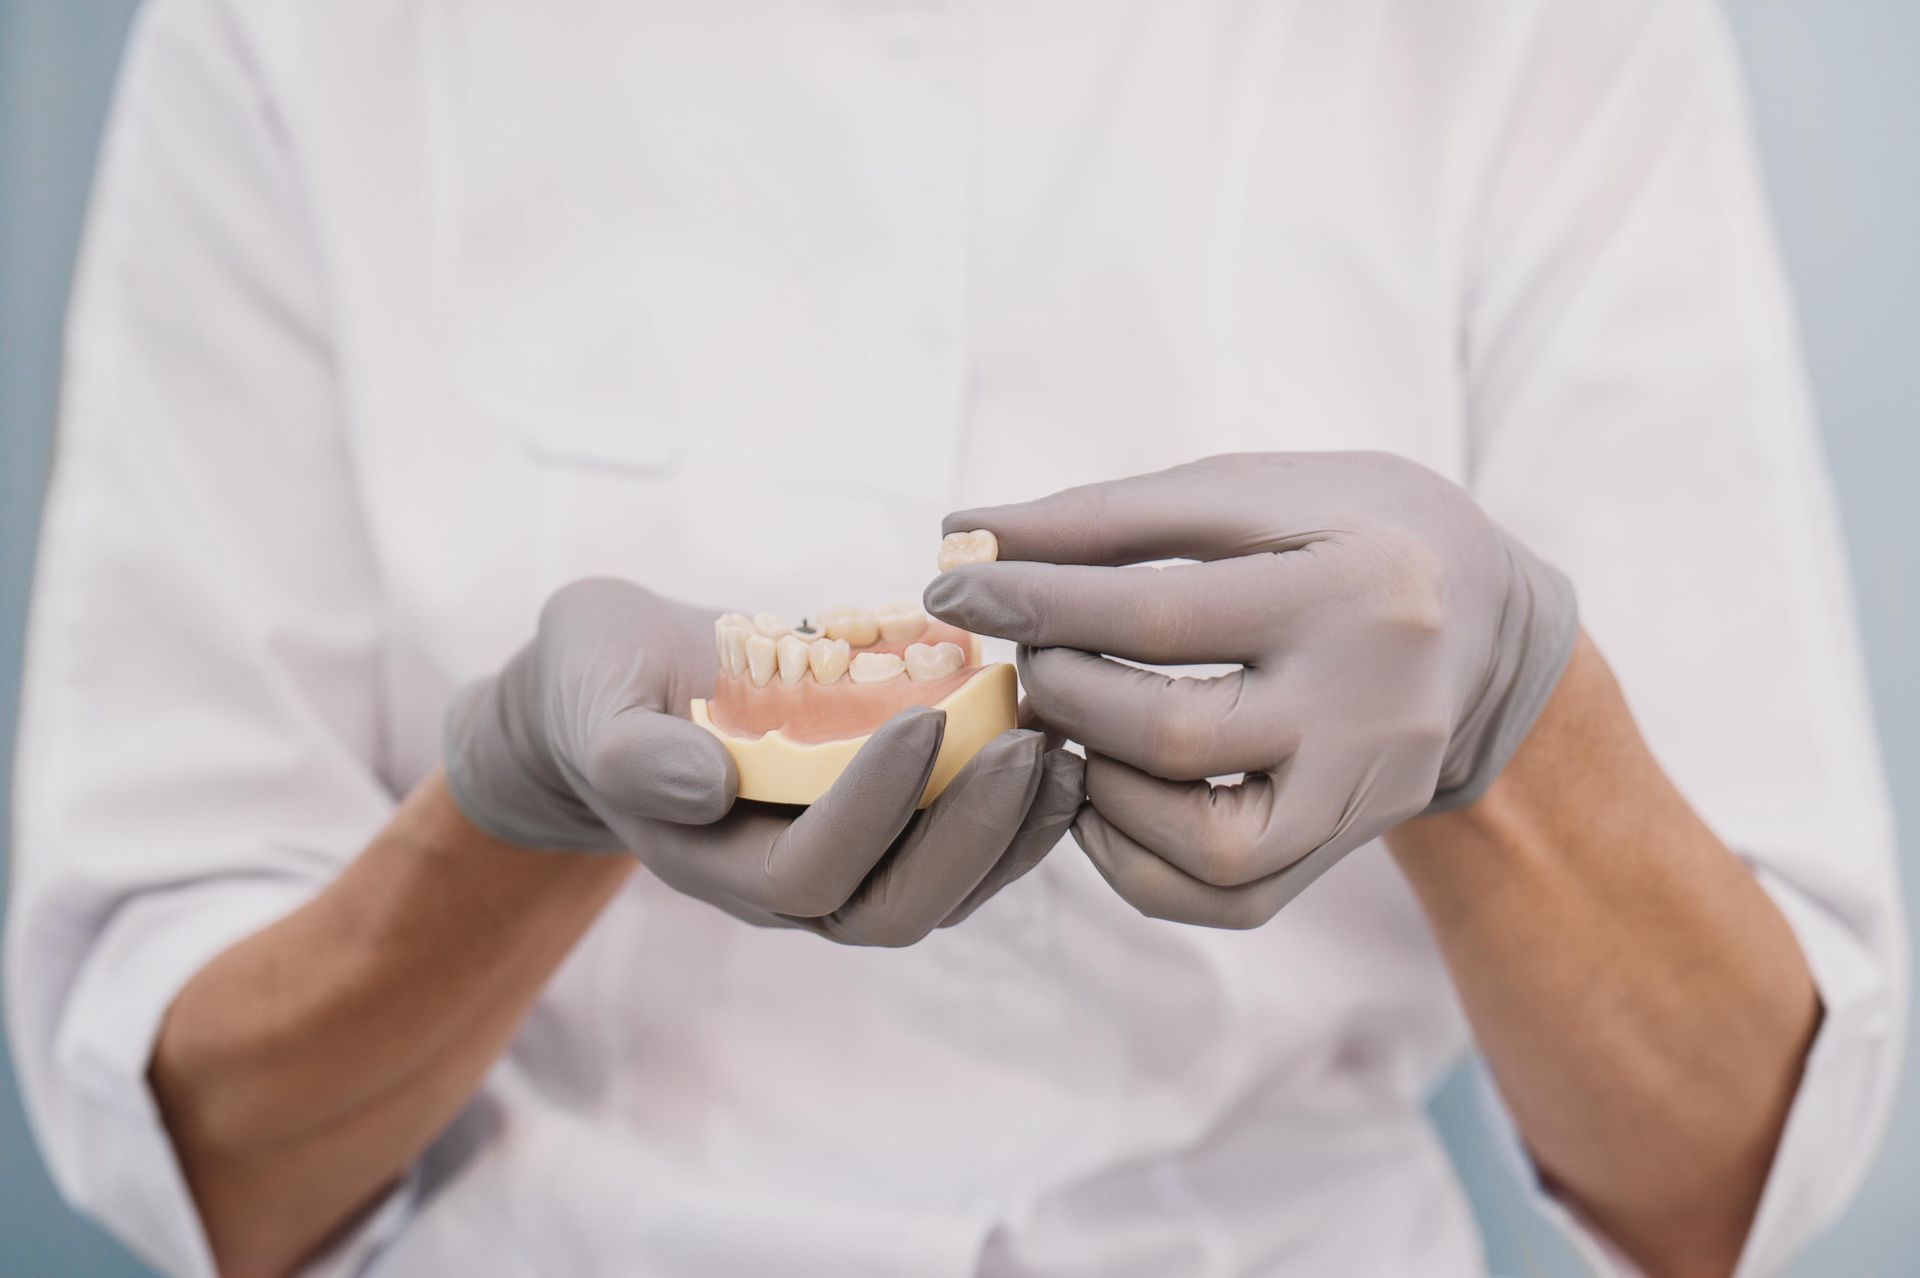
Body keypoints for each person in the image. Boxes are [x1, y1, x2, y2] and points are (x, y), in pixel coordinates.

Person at [5, 0, 1902, 1275]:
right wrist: (506, 817)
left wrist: (1510, 721)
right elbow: (217, 1157)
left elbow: (1721, 1170)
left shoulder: (1546, 32)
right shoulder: (301, 34)